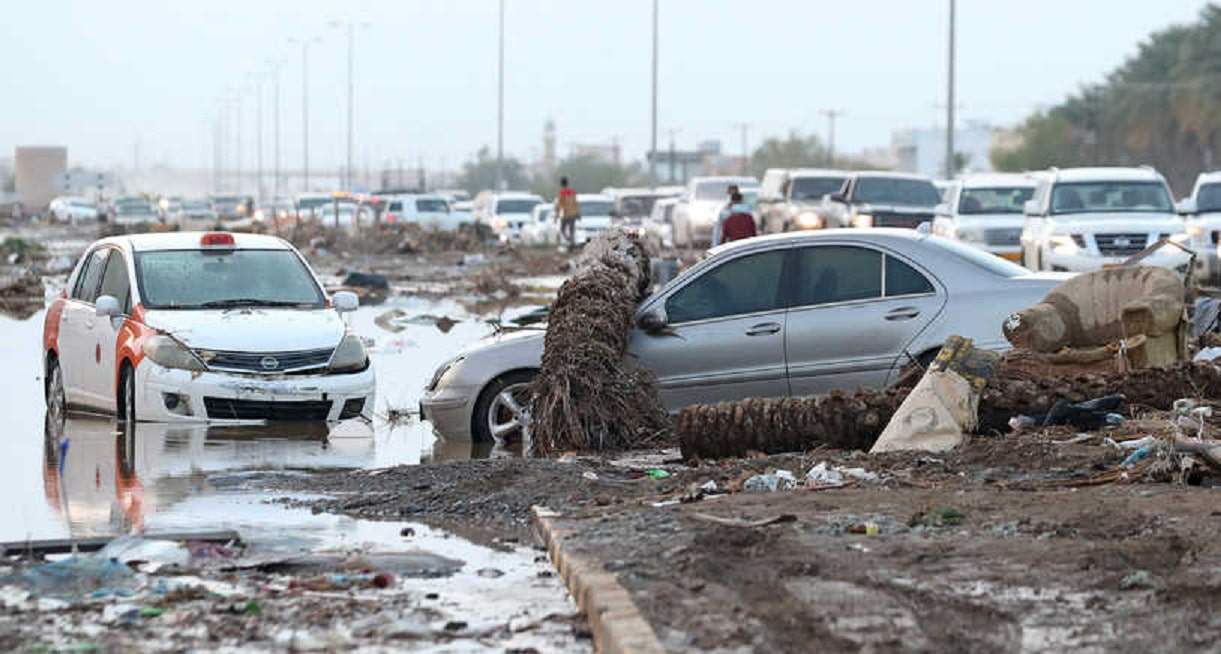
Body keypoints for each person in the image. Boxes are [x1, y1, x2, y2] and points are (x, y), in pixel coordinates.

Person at [554, 176, 580, 247]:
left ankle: (569, 240)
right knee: (572, 230)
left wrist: (556, 216)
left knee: (562, 229)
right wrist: (578, 213)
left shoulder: (562, 192)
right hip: (573, 214)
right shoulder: (572, 192)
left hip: (565, 214)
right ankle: (572, 241)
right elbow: (576, 203)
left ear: (561, 184)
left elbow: (559, 205)